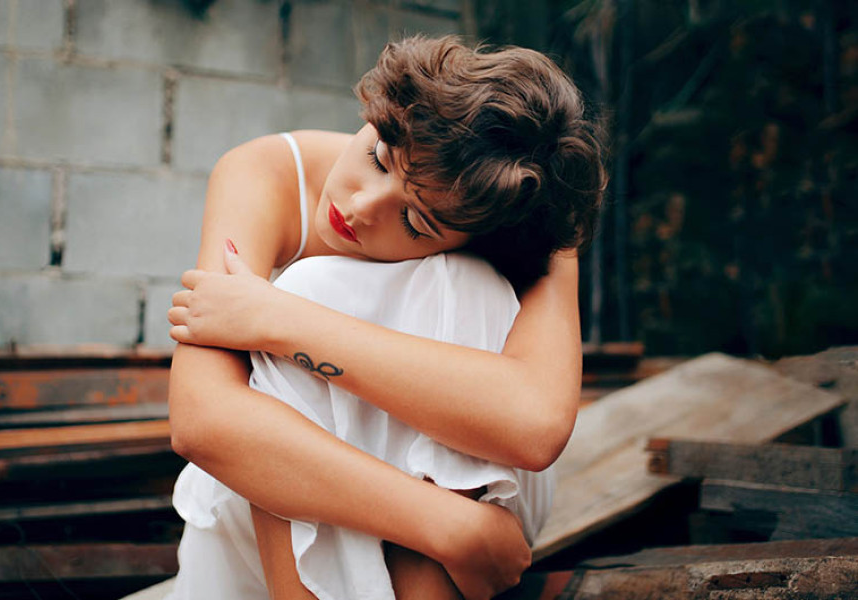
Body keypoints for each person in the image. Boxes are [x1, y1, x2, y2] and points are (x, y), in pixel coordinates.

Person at [165, 35, 605, 599]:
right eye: (377, 157)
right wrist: (448, 526)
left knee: (463, 282)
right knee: (312, 284)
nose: (358, 206)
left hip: (490, 502)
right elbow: (202, 421)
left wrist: (279, 319)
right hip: (275, 517)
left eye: (416, 222)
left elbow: (535, 426)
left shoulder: (521, 208)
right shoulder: (263, 172)